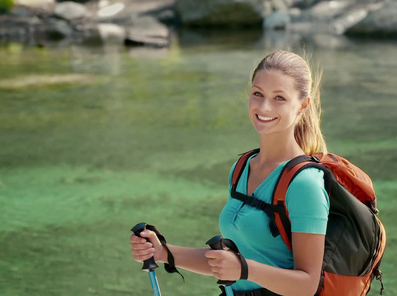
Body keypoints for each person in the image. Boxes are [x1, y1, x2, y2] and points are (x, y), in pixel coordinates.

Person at [130, 50, 330, 296]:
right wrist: (163, 253)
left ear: (302, 105)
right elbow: (229, 264)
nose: (264, 107)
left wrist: (245, 270)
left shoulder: (305, 184)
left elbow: (308, 285)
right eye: (258, 94)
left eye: (279, 98)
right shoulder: (242, 168)